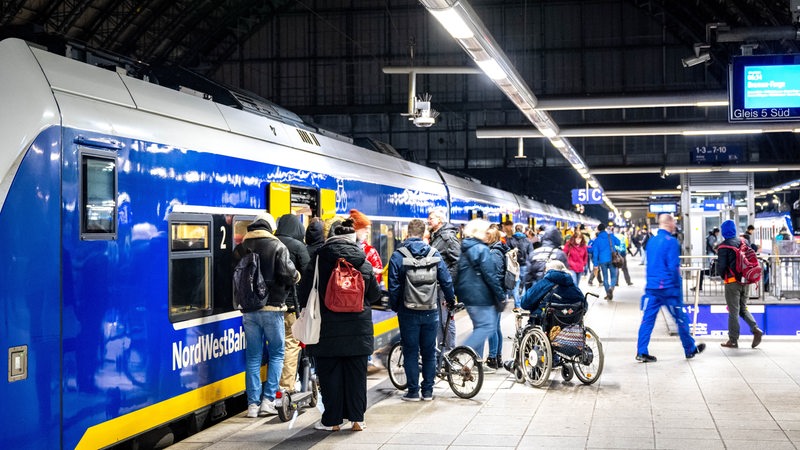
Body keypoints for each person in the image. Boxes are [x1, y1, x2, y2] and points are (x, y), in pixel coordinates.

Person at [297, 219, 381, 431]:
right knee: (356, 376)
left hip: (327, 329)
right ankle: (357, 419)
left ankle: (332, 421)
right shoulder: (364, 261)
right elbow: (374, 295)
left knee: (330, 376)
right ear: (354, 239)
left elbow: (304, 292)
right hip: (358, 330)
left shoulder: (318, 260)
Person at [232, 212, 299, 418]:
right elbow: (289, 274)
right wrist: (296, 276)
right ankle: (268, 401)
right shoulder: (278, 246)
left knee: (253, 356)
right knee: (277, 353)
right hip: (273, 308)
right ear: (270, 228)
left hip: (249, 310)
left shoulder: (241, 248)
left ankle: (252, 405)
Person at [388, 219, 455, 401]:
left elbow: (393, 286)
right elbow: (447, 281)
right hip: (430, 309)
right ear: (424, 233)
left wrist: (396, 307)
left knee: (410, 351)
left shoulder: (398, 255)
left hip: (407, 311)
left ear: (408, 233)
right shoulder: (434, 253)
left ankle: (413, 392)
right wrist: (450, 300)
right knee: (428, 351)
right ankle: (428, 391)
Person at [635, 214, 706, 362]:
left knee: (647, 320)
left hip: (652, 288)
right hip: (668, 289)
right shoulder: (671, 242)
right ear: (669, 223)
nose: (675, 225)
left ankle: (641, 351)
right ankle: (690, 349)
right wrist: (677, 287)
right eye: (673, 222)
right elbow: (673, 267)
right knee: (681, 319)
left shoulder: (652, 241)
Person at [455, 219, 505, 361]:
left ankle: (472, 363)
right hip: (480, 296)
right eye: (484, 231)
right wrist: (500, 295)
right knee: (487, 327)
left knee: (479, 329)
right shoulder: (481, 249)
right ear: (477, 232)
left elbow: (457, 272)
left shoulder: (464, 247)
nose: (486, 233)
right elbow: (491, 276)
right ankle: (457, 355)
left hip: (469, 296)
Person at [274, 214, 311, 393]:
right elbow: (308, 274)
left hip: (270, 306)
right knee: (291, 344)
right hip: (290, 306)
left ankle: (269, 390)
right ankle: (286, 388)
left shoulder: (271, 243)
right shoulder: (298, 246)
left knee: (274, 348)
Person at [717, 220, 764, 349]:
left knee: (733, 311)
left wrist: (724, 277)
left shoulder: (723, 247)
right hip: (745, 281)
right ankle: (755, 329)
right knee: (742, 308)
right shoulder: (743, 242)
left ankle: (733, 340)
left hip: (732, 283)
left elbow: (721, 268)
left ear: (723, 232)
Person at [427, 208, 461, 353]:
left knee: (446, 320)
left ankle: (449, 352)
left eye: (431, 218)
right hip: (438, 285)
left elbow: (458, 261)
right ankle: (442, 353)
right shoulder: (437, 236)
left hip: (444, 286)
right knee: (440, 321)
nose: (429, 220)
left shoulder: (447, 237)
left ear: (440, 220)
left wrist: (448, 281)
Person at [519, 260, 586, 327]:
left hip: (546, 323)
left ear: (548, 270)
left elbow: (525, 303)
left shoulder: (544, 284)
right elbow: (584, 306)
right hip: (571, 323)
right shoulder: (572, 286)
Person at [485, 228, 509, 370]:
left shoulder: (494, 253)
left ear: (491, 237)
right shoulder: (498, 250)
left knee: (491, 327)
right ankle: (498, 357)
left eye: (486, 235)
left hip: (494, 293)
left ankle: (492, 358)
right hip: (498, 292)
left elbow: (495, 276)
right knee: (496, 326)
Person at [591, 223, 621, 300]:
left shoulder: (597, 240)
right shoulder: (610, 236)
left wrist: (595, 264)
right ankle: (611, 288)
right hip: (612, 259)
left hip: (602, 260)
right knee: (614, 276)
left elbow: (595, 253)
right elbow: (619, 242)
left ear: (598, 230)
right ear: (605, 229)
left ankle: (608, 293)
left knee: (605, 277)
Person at [507, 224, 533, 310]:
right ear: (522, 230)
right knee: (525, 284)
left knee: (515, 285)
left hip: (514, 266)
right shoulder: (527, 241)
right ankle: (524, 303)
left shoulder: (510, 240)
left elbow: (507, 253)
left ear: (515, 230)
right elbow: (531, 254)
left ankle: (517, 305)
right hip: (525, 265)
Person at [695, 227, 720, 291]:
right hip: (720, 271)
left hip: (715, 271)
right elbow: (712, 245)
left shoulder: (711, 237)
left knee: (701, 272)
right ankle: (698, 287)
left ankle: (699, 287)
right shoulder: (712, 238)